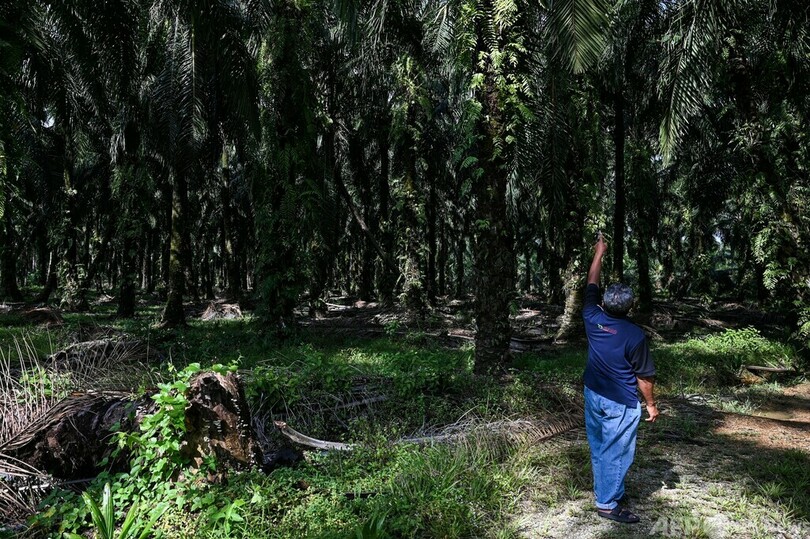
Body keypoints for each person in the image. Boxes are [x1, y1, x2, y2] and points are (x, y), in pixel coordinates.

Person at [582, 233, 659, 524]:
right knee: (617, 452)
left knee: (601, 447)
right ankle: (607, 504)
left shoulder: (591, 316)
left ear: (603, 302)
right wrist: (650, 405)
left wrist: (599, 252)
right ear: (630, 307)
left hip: (593, 393)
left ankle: (608, 490)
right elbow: (644, 376)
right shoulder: (634, 335)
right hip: (621, 402)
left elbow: (591, 282)